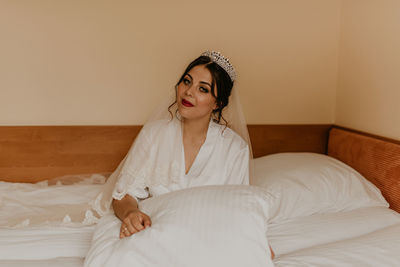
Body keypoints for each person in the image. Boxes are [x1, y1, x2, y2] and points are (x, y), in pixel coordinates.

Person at [110, 51, 251, 238]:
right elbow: (123, 194)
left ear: (218, 103)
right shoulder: (154, 134)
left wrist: (254, 239)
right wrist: (131, 213)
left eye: (203, 89)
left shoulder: (235, 148)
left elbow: (238, 208)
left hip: (207, 236)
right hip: (153, 231)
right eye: (187, 81)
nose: (189, 92)